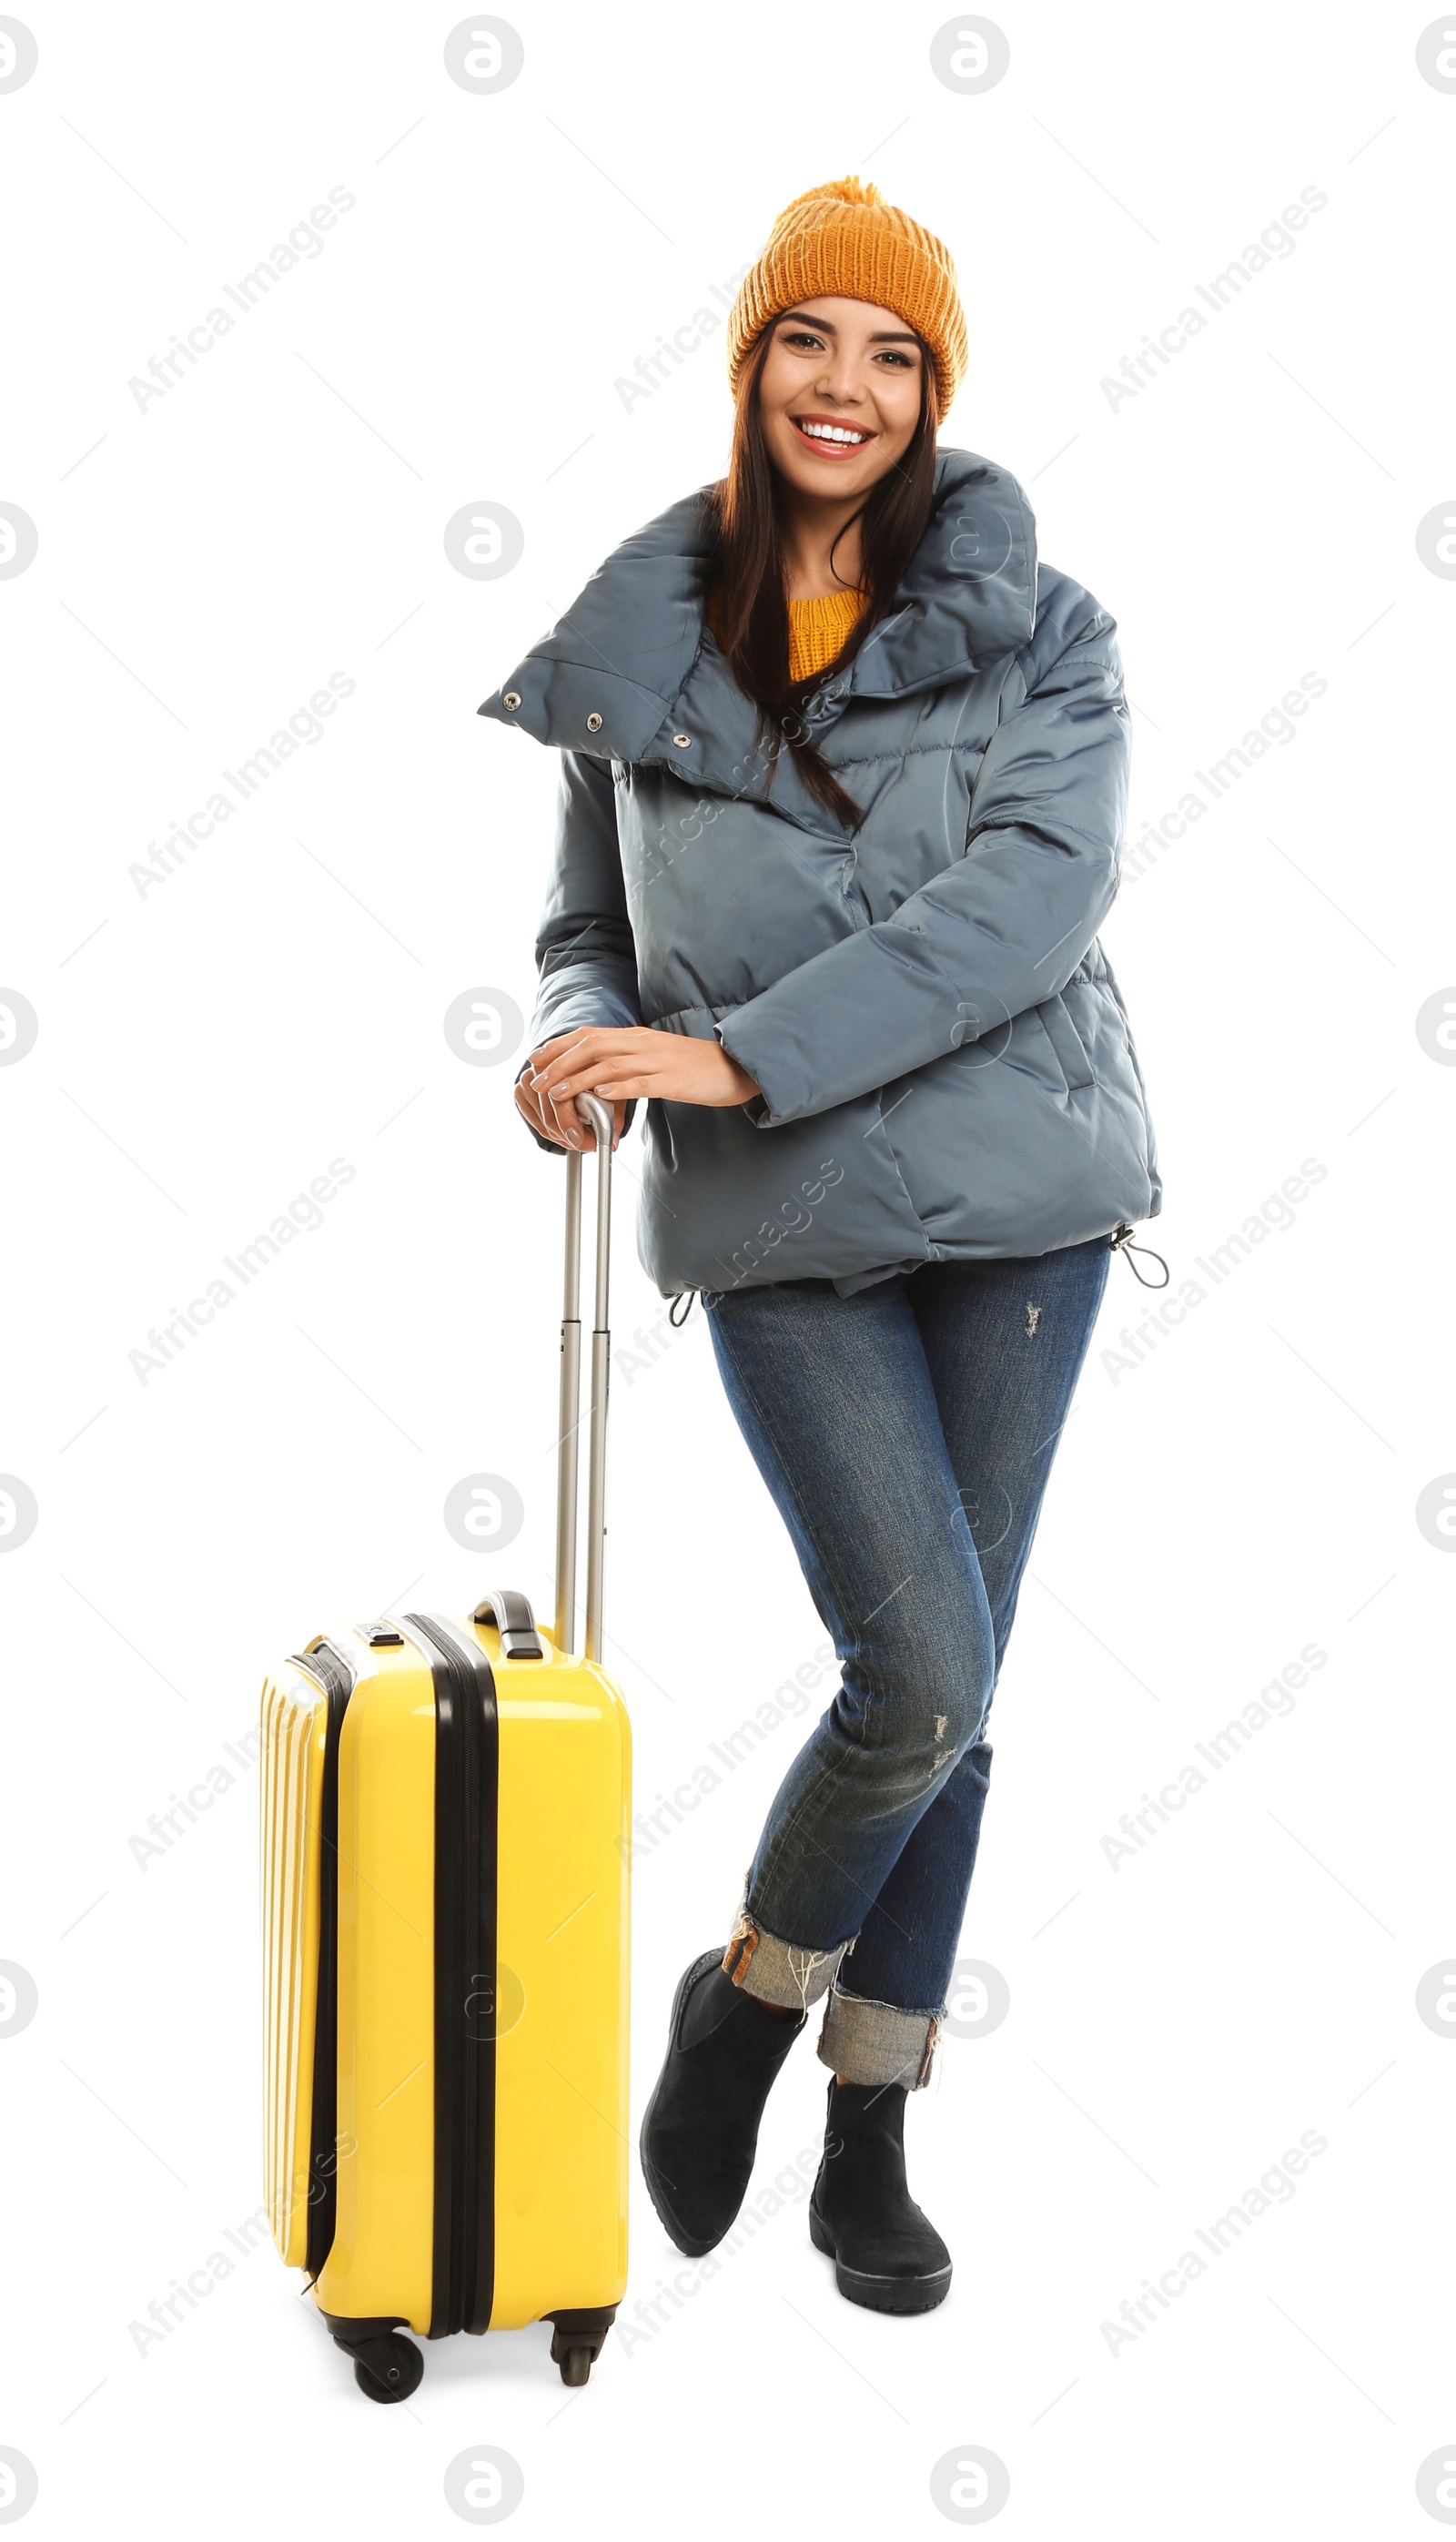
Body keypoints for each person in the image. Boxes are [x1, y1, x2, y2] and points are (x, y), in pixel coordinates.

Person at [482, 175, 1161, 2316]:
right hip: (781, 1226)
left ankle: (824, 2064)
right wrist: (588, 1030)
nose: (845, 387)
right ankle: (762, 2016)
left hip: (1019, 1203)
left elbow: (1021, 914)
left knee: (946, 1677)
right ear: (750, 366)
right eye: (809, 341)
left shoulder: (1048, 632)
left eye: (893, 354)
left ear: (933, 392)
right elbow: (589, 924)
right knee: (928, 1670)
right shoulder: (642, 640)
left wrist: (729, 1055)